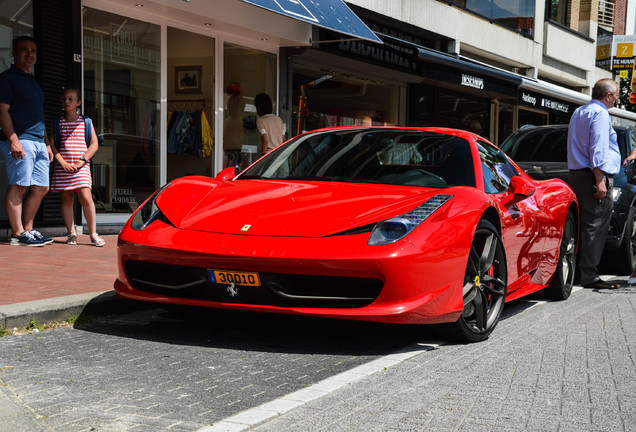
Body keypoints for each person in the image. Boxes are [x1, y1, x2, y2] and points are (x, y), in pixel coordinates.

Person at [567, 78, 621, 289]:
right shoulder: (600, 113)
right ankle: (589, 275)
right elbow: (598, 148)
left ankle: (580, 271)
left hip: (578, 174)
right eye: (616, 96)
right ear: (608, 96)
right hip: (593, 175)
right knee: (596, 226)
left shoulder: (579, 111)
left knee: (584, 225)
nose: (617, 99)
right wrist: (600, 180)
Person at [0, 35, 53, 246]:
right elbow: (2, 111)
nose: (29, 53)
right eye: (24, 49)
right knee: (19, 186)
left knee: (41, 188)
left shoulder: (33, 82)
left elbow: (39, 117)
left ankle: (28, 230)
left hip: (39, 142)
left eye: (33, 50)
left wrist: (47, 144)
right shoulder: (7, 78)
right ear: (14, 54)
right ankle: (17, 233)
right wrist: (13, 140)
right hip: (21, 139)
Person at [50, 88, 104, 247]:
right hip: (63, 167)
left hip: (81, 166)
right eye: (64, 99)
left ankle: (93, 234)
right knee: (66, 198)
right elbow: (53, 146)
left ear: (78, 103)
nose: (66, 102)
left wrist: (81, 161)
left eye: (71, 99)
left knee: (86, 197)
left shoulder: (86, 121)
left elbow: (94, 145)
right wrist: (63, 163)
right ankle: (71, 233)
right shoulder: (57, 122)